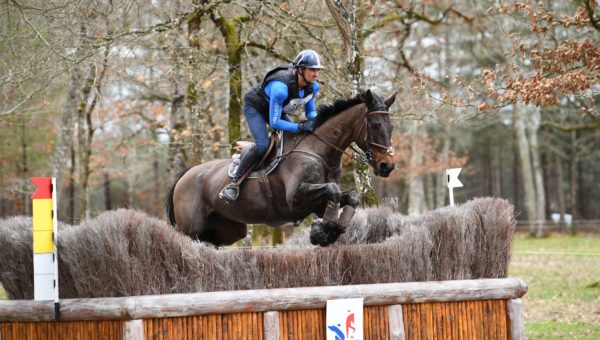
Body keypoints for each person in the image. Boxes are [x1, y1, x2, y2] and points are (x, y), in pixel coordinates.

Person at [219, 49, 324, 202]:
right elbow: (274, 122)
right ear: (300, 70)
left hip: (275, 110)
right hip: (256, 107)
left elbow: (310, 114)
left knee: (297, 139)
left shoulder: (313, 87)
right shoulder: (280, 88)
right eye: (312, 69)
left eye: (318, 70)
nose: (316, 74)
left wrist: (323, 118)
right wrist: (298, 127)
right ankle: (233, 184)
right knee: (263, 145)